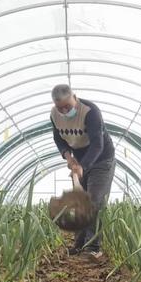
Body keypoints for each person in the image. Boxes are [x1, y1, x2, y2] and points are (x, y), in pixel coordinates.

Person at [50, 84, 116, 259]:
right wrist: (68, 157)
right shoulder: (54, 115)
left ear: (75, 98)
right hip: (79, 159)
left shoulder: (90, 111)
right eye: (60, 107)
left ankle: (94, 247)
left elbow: (97, 144)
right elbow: (58, 139)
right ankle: (79, 244)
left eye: (68, 106)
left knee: (93, 201)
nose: (64, 111)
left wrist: (82, 166)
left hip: (101, 159)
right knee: (80, 202)